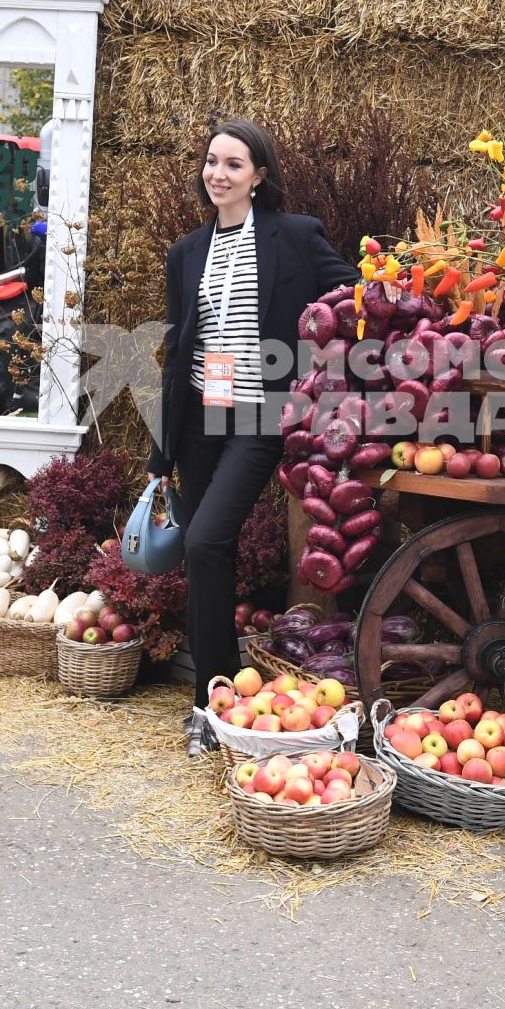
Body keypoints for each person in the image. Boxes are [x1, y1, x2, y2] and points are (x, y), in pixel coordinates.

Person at [146, 119, 359, 756]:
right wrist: (163, 450)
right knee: (205, 554)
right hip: (203, 414)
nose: (218, 174)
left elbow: (351, 293)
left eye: (233, 165)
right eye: (212, 161)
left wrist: (324, 371)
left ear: (258, 176)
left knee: (209, 537)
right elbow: (181, 346)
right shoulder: (186, 251)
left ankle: (217, 702)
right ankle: (211, 705)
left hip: (264, 414)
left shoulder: (293, 237)